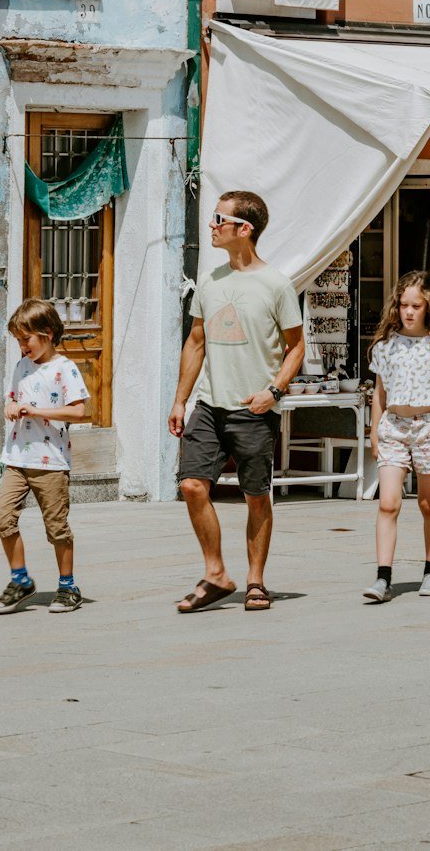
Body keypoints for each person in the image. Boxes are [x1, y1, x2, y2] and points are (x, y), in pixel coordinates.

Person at [169, 190, 304, 614]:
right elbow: (195, 342)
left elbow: (296, 347)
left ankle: (255, 581)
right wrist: (180, 401)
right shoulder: (209, 281)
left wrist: (274, 392)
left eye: (218, 219)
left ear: (243, 229)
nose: (211, 226)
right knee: (192, 485)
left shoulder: (276, 284)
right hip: (210, 405)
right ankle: (216, 573)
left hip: (254, 408)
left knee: (255, 496)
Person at [363, 271, 430, 604]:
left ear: (429, 306)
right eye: (404, 304)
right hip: (393, 427)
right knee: (388, 502)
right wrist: (375, 432)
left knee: (427, 502)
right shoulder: (386, 344)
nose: (408, 311)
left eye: (415, 305)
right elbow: (379, 392)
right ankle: (383, 577)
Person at [0, 298, 90, 615]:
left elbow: (79, 411)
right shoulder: (21, 367)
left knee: (57, 528)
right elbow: (13, 399)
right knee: (3, 519)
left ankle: (67, 586)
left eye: (26, 339)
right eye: (19, 340)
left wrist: (38, 411)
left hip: (51, 461)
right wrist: (10, 407)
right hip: (18, 458)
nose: (22, 346)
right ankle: (20, 580)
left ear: (46, 333)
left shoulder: (65, 369)